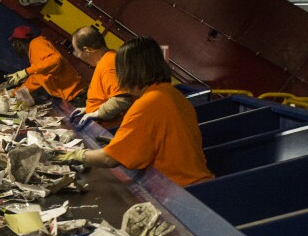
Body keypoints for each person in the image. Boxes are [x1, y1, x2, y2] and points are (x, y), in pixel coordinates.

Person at [52, 37, 213, 187]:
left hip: (178, 189)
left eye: (120, 71)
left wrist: (71, 156)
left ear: (131, 70)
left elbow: (110, 159)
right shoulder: (171, 94)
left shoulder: (147, 103)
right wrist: (123, 143)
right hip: (201, 185)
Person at [68, 25, 134, 129]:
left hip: (113, 127)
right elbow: (108, 94)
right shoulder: (109, 58)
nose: (79, 56)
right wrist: (89, 109)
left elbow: (122, 99)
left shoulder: (108, 64)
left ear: (86, 50)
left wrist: (96, 114)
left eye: (77, 52)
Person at [3, 25, 85, 106]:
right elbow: (35, 80)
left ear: (18, 43)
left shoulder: (36, 43)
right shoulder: (34, 53)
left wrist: (26, 72)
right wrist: (11, 94)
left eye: (13, 44)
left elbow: (55, 61)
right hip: (73, 96)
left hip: (78, 94)